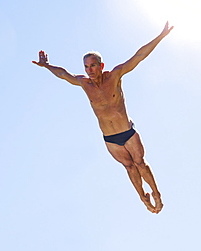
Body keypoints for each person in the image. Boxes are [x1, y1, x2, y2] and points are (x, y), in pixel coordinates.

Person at [32, 22, 174, 213]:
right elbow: (63, 74)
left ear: (101, 66)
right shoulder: (84, 84)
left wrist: (160, 36)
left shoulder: (114, 76)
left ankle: (156, 194)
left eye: (92, 66)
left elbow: (138, 56)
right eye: (86, 67)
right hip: (110, 139)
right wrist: (46, 65)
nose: (89, 70)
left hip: (127, 132)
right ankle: (143, 198)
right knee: (130, 167)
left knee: (140, 163)